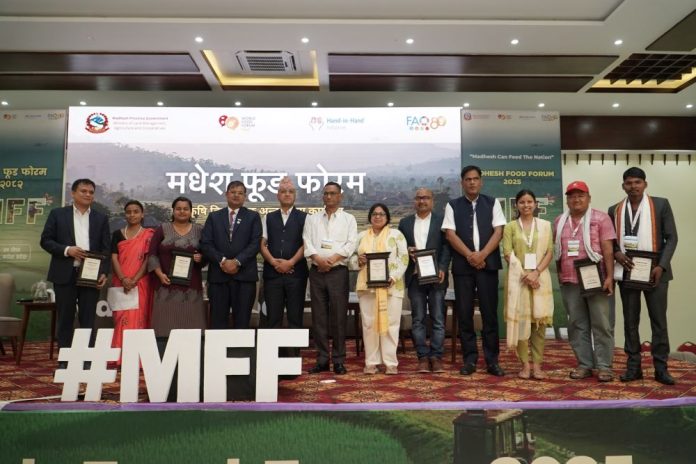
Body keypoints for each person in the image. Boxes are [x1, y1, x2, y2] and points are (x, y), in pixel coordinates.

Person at [608, 167, 678, 385]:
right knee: (630, 322)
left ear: (645, 184)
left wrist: (662, 266)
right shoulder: (614, 210)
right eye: (629, 183)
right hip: (627, 272)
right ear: (623, 186)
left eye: (637, 182)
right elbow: (610, 240)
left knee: (659, 322)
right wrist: (617, 253)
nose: (633, 186)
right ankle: (633, 368)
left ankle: (661, 369)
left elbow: (672, 238)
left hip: (656, 273)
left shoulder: (660, 205)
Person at [442, 166, 506, 377]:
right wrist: (471, 255)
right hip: (463, 268)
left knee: (489, 314)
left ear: (481, 181)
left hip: (488, 266)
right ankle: (469, 360)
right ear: (462, 183)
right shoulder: (452, 205)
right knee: (465, 314)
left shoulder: (493, 203)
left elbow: (499, 232)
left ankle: (492, 361)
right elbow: (450, 235)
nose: (472, 182)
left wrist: (482, 255)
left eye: (475, 179)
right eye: (468, 179)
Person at [553, 181, 616, 382]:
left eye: (580, 195)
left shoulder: (601, 218)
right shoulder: (559, 221)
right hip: (570, 281)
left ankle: (604, 366)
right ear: (567, 200)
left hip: (596, 281)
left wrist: (609, 277)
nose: (576, 199)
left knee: (602, 324)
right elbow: (557, 252)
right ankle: (585, 364)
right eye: (572, 196)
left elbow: (608, 250)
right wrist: (560, 275)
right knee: (577, 324)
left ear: (589, 198)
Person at [40, 178, 110, 354]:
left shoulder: (101, 218)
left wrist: (104, 272)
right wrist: (67, 250)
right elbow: (45, 241)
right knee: (65, 318)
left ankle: (86, 359)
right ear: (73, 193)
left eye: (91, 192)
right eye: (83, 191)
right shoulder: (57, 214)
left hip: (91, 275)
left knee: (88, 319)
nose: (88, 194)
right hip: (65, 273)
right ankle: (65, 359)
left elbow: (106, 249)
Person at [148, 196, 206, 400]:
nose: (182, 212)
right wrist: (159, 274)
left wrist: (201, 258)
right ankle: (163, 370)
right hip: (165, 287)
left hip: (191, 290)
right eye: (178, 208)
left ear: (191, 211)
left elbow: (206, 256)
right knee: (165, 328)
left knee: (192, 329)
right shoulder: (162, 229)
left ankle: (192, 371)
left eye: (186, 209)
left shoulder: (199, 230)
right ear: (173, 210)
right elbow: (152, 254)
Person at [302, 182, 358, 375]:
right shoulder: (312, 219)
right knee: (319, 317)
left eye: (333, 193)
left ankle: (339, 360)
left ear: (340, 196)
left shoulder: (348, 219)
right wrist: (319, 260)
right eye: (326, 193)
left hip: (338, 272)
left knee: (339, 317)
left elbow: (351, 244)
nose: (329, 197)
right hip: (317, 272)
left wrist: (332, 260)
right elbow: (307, 241)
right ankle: (322, 359)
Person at [398, 188, 451, 373]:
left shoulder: (441, 221)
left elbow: (447, 247)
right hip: (415, 277)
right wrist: (407, 250)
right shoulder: (405, 223)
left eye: (426, 198)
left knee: (438, 319)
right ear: (415, 201)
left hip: (437, 277)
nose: (422, 201)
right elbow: (399, 247)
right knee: (418, 319)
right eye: (419, 198)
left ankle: (436, 357)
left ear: (432, 201)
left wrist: (443, 267)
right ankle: (422, 357)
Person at [502, 190, 554, 380]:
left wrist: (536, 273)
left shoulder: (545, 225)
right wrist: (525, 275)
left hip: (540, 279)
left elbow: (549, 252)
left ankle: (538, 366)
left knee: (539, 324)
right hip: (519, 280)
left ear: (535, 204)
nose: (526, 205)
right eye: (522, 202)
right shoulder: (510, 227)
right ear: (516, 205)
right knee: (522, 323)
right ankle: (524, 365)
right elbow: (507, 253)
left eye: (529, 201)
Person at [353, 203, 408, 375]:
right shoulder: (361, 236)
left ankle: (390, 363)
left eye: (381, 214)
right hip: (367, 288)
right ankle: (371, 362)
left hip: (392, 287)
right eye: (374, 214)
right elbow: (350, 258)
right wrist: (358, 261)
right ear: (370, 217)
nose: (378, 217)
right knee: (369, 325)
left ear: (387, 217)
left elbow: (404, 258)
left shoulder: (396, 235)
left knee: (391, 324)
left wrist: (393, 277)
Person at [200, 181, 262, 329]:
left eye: (240, 193)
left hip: (244, 278)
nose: (236, 195)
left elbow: (255, 243)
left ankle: (241, 346)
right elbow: (206, 243)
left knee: (242, 322)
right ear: (226, 194)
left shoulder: (253, 216)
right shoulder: (214, 217)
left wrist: (237, 261)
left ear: (245, 197)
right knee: (217, 322)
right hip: (219, 277)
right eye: (233, 192)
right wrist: (223, 260)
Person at [260, 177, 308, 342]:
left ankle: (294, 353)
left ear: (295, 195)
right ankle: (273, 353)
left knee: (295, 317)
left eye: (290, 191)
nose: (287, 194)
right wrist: (274, 263)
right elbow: (262, 244)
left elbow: (307, 244)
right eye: (283, 191)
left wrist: (290, 262)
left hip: (296, 275)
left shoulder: (305, 218)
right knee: (273, 318)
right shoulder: (268, 217)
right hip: (273, 275)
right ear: (277, 195)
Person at [110, 200, 154, 361]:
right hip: (120, 282)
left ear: (142, 214)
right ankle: (118, 357)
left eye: (136, 211)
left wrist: (134, 279)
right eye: (128, 212)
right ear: (125, 214)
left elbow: (148, 259)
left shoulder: (149, 235)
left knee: (140, 318)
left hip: (140, 283)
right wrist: (123, 279)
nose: (132, 215)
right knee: (121, 319)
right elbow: (114, 257)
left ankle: (138, 359)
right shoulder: (117, 234)